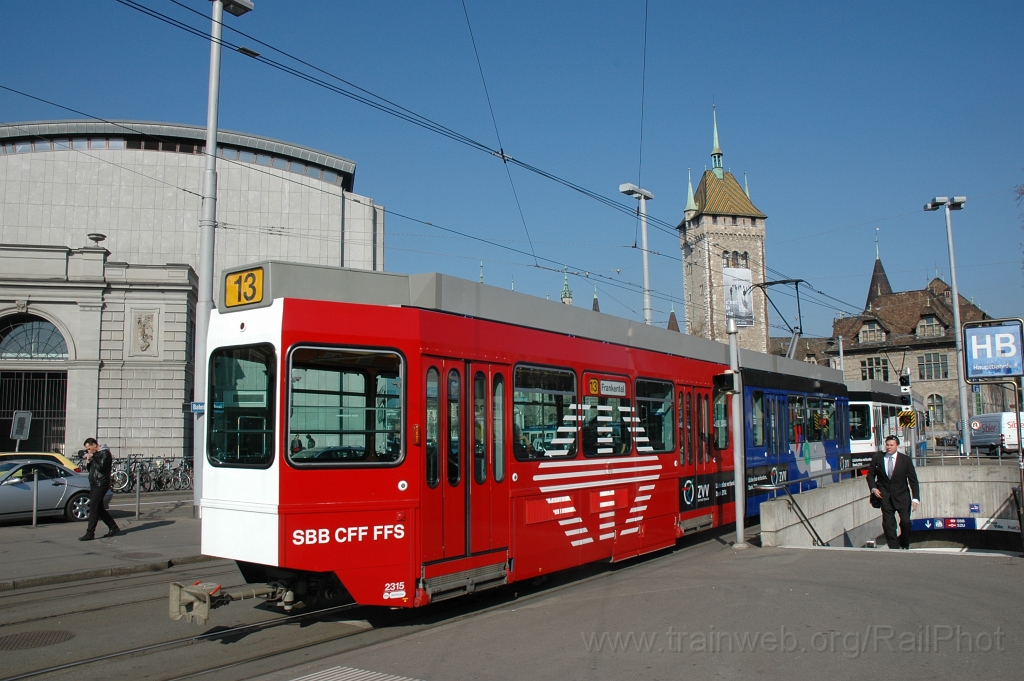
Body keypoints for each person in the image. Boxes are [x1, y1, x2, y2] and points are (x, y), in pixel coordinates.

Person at [867, 435, 920, 550]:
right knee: (888, 524)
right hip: (885, 496)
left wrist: (915, 498)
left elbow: (913, 480)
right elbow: (870, 475)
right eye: (887, 445)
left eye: (891, 445)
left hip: (902, 496)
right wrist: (873, 488)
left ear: (897, 446)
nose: (889, 447)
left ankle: (904, 544)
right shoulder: (878, 457)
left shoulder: (905, 460)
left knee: (905, 522)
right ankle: (894, 548)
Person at [80, 438, 119, 541]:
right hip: (94, 483)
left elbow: (101, 467)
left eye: (89, 448)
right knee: (99, 508)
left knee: (93, 507)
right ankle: (113, 527)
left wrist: (93, 457)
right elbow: (91, 469)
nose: (88, 451)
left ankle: (90, 533)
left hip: (101, 483)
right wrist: (88, 461)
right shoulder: (96, 455)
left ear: (94, 445)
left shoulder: (105, 453)